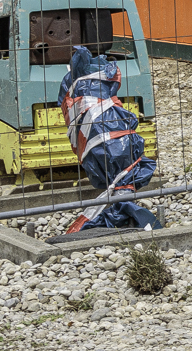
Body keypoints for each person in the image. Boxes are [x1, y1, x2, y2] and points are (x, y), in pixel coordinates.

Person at [58, 45, 159, 232]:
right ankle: (123, 206)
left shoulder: (82, 90)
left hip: (109, 138)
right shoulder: (93, 92)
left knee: (114, 166)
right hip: (113, 139)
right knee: (118, 168)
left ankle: (121, 207)